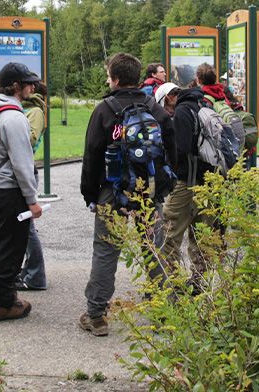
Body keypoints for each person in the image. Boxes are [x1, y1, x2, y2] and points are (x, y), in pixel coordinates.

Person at [79, 52, 176, 336]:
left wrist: (90, 194)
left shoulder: (104, 110)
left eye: (109, 76)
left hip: (113, 190)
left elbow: (92, 156)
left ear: (117, 79)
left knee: (107, 249)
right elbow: (171, 151)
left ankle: (96, 316)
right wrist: (162, 188)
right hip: (149, 190)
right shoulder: (155, 108)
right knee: (154, 249)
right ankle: (162, 311)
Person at [0, 62, 42, 322]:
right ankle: (3, 304)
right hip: (9, 192)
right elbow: (21, 163)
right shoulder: (14, 117)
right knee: (10, 247)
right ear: (15, 86)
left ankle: (3, 297)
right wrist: (32, 200)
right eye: (28, 82)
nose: (32, 86)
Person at [161, 83, 214, 292]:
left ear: (169, 99)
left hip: (187, 182)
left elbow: (181, 148)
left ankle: (173, 283)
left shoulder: (183, 110)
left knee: (170, 231)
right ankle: (199, 281)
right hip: (209, 181)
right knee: (200, 234)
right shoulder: (205, 103)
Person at [16, 78, 48, 291]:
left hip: (26, 169)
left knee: (27, 228)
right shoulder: (18, 110)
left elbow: (30, 140)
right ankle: (28, 271)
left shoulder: (35, 111)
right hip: (20, 169)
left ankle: (36, 275)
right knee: (21, 228)